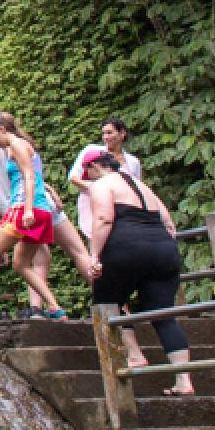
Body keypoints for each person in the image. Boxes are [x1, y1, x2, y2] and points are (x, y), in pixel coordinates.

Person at [0, 112, 98, 318]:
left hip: (22, 207)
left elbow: (26, 177)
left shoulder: (15, 145)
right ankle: (54, 307)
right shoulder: (20, 146)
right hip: (42, 208)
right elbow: (33, 175)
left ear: (2, 130)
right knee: (21, 264)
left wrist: (26, 209)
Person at [83, 147, 194, 393]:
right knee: (164, 315)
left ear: (96, 167)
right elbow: (168, 222)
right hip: (163, 250)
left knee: (107, 301)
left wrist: (94, 255)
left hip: (126, 249)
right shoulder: (141, 186)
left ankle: (134, 354)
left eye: (87, 172)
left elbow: (103, 219)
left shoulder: (102, 185)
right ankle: (183, 380)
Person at [68, 119, 141, 239]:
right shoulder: (92, 151)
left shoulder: (133, 162)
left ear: (122, 133)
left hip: (124, 212)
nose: (105, 137)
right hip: (96, 208)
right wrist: (99, 188)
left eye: (109, 133)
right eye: (103, 133)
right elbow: (73, 177)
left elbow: (137, 188)